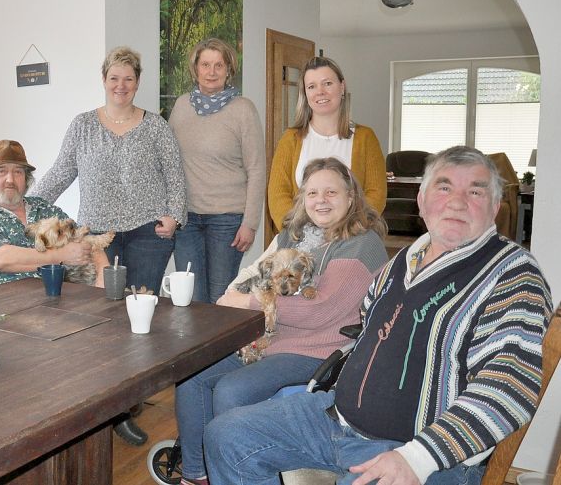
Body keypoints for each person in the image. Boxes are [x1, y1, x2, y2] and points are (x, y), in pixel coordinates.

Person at [205, 146, 553, 485]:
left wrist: (417, 459)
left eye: (475, 191)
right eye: (444, 187)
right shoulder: (402, 260)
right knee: (226, 435)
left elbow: (510, 386)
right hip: (334, 419)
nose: (457, 201)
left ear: (495, 206)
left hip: (417, 452)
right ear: (421, 200)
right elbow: (366, 332)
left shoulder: (512, 275)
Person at [172, 157, 388, 485]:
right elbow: (258, 271)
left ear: (351, 197)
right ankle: (198, 474)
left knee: (232, 389)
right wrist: (235, 294)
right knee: (192, 374)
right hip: (270, 339)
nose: (321, 200)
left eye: (331, 192)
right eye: (312, 192)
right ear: (302, 198)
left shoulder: (361, 243)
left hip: (317, 349)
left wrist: (248, 302)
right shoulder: (294, 235)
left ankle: (233, 471)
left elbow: (320, 311)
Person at [31, 46, 186, 293]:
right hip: (95, 236)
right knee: (100, 309)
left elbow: (175, 176)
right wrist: (28, 207)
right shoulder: (83, 125)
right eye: (114, 78)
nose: (120, 85)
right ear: (104, 80)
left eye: (128, 79)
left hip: (148, 234)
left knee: (142, 307)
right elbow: (60, 173)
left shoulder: (157, 126)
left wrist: (174, 217)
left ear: (137, 83)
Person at [169, 38, 265, 303]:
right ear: (195, 69)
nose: (211, 72)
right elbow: (167, 161)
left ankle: (226, 348)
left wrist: (250, 224)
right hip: (186, 220)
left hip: (227, 220)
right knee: (190, 299)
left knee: (221, 299)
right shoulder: (181, 107)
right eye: (205, 64)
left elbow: (257, 169)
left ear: (228, 70)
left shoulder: (243, 109)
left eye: (218, 65)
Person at [0, 139, 107, 290]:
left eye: (18, 172)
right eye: (2, 171)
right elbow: (0, 259)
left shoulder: (42, 207)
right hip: (3, 305)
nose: (10, 179)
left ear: (26, 180)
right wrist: (61, 256)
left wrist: (103, 276)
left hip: (59, 300)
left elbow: (83, 237)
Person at [267, 56, 386, 232]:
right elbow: (277, 194)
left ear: (342, 87)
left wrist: (350, 229)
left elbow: (376, 193)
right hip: (300, 240)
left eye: (327, 83)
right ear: (305, 94)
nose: (320, 92)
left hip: (350, 238)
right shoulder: (291, 139)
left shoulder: (365, 138)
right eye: (312, 86)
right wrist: (299, 232)